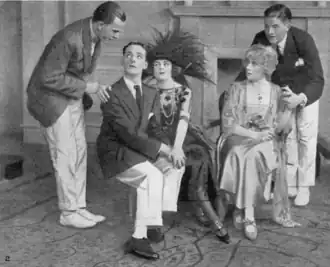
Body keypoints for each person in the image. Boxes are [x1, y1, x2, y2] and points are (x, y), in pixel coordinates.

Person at [26, 1, 126, 229]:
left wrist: (84, 90)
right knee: (65, 154)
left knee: (79, 150)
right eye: (115, 30)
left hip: (70, 96)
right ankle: (68, 211)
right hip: (49, 99)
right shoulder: (68, 38)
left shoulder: (96, 36)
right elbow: (47, 79)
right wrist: (87, 88)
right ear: (101, 25)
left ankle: (78, 207)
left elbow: (78, 72)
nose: (117, 36)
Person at [97, 41, 184, 260]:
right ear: (123, 60)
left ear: (145, 64)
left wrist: (170, 150)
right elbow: (127, 134)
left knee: (173, 166)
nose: (132, 59)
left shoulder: (150, 92)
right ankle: (146, 230)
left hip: (140, 150)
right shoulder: (112, 94)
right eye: (128, 55)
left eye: (138, 56)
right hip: (116, 152)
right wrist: (163, 149)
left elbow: (154, 128)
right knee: (152, 175)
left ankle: (146, 226)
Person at [143, 27, 230, 244]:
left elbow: (183, 121)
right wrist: (166, 148)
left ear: (173, 68)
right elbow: (151, 125)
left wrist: (178, 147)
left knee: (198, 164)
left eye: (165, 64)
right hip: (156, 140)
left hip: (184, 139)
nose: (161, 68)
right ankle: (154, 222)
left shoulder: (183, 91)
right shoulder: (147, 91)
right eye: (156, 64)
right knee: (159, 169)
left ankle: (214, 221)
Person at [237, 3, 324, 206]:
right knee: (288, 139)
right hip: (281, 95)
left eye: (275, 26)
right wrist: (235, 90)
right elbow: (250, 67)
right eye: (267, 26)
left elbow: (318, 78)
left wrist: (300, 98)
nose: (269, 31)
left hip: (305, 94)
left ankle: (304, 186)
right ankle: (290, 184)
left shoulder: (304, 40)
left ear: (287, 25)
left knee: (305, 140)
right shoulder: (260, 39)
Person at [217, 44, 301, 241]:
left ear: (265, 68)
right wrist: (253, 136)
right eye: (247, 63)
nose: (248, 67)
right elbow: (228, 123)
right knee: (239, 153)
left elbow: (281, 128)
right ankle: (247, 213)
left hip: (268, 140)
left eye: (254, 64)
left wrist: (289, 109)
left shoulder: (277, 92)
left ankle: (244, 212)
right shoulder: (236, 89)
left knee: (254, 155)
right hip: (241, 137)